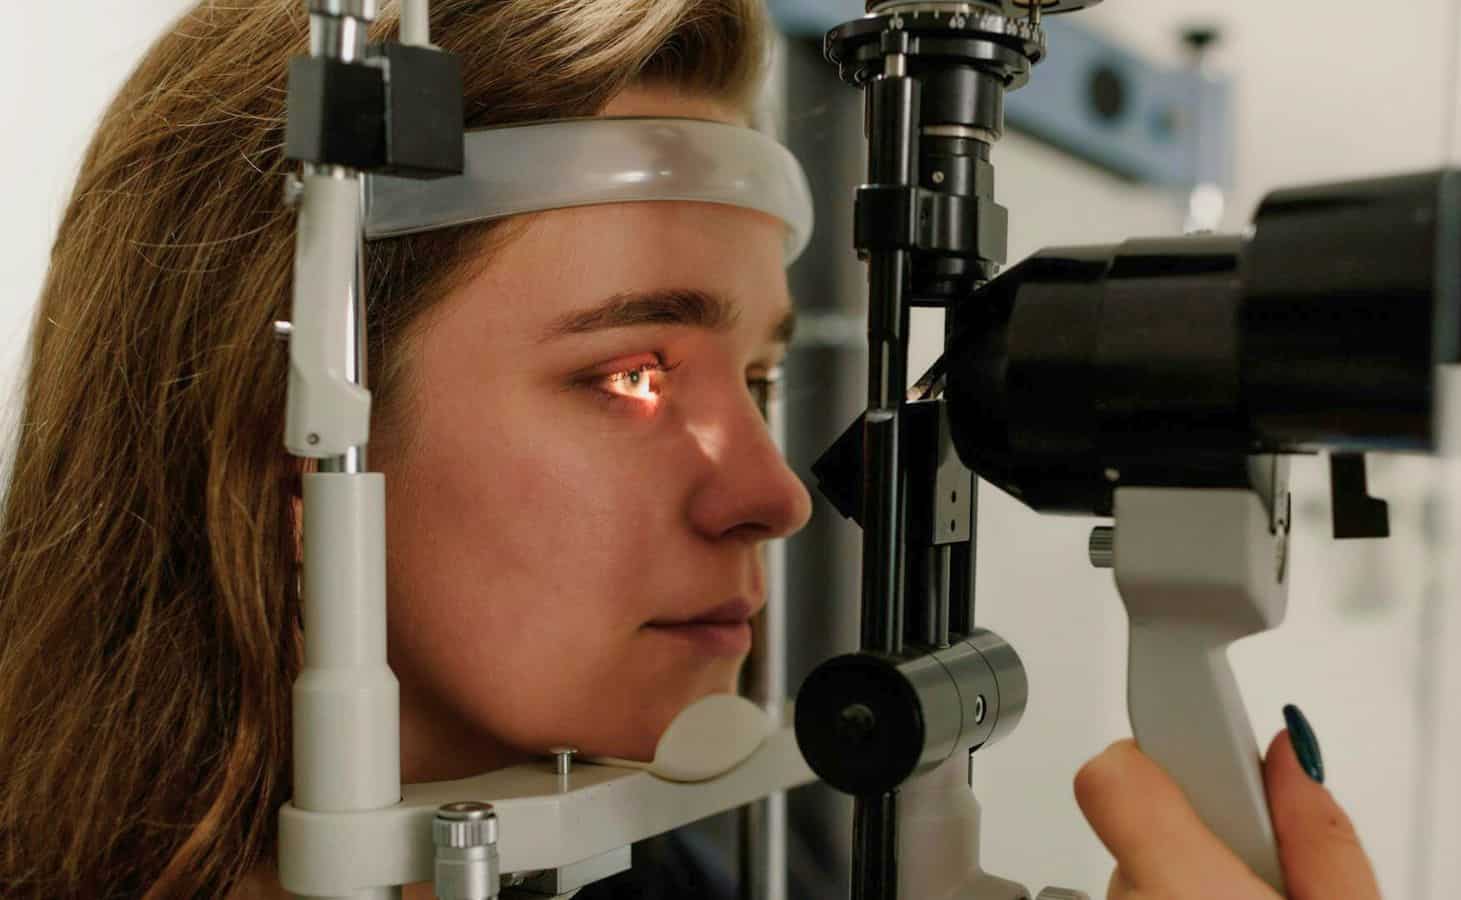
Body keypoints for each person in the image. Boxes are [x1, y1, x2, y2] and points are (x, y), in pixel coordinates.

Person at [0, 1, 1381, 897]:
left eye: (766, 375)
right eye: (636, 373)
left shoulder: (684, 877)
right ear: (297, 441)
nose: (775, 495)